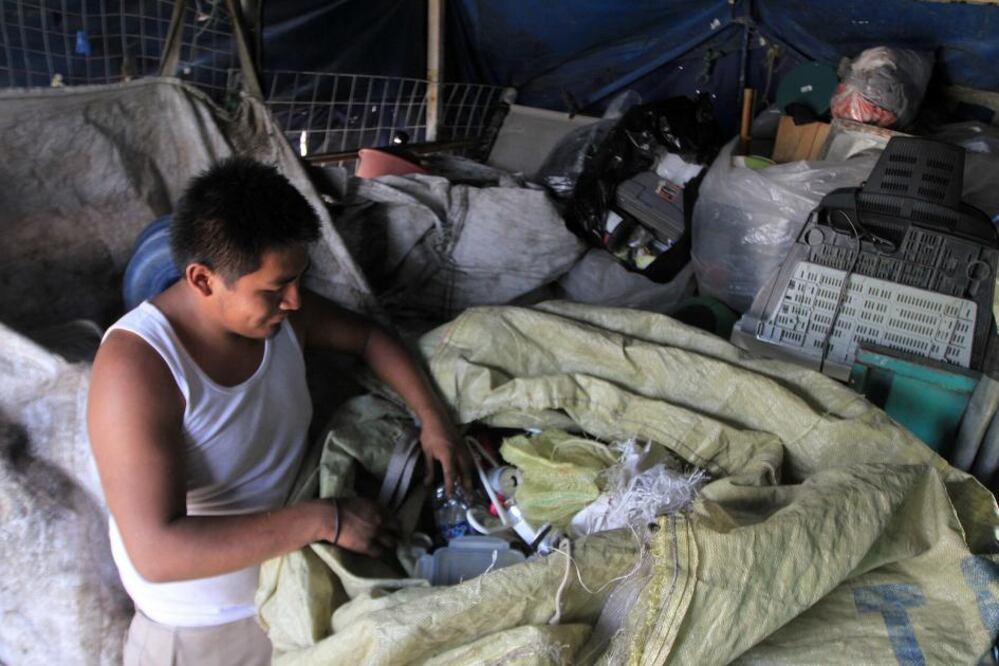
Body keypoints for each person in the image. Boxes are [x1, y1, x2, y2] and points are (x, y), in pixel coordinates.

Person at [87, 157, 471, 666]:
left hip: (295, 584)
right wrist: (324, 520)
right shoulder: (139, 368)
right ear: (202, 279)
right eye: (274, 289)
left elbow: (370, 337)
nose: (294, 301)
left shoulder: (280, 315)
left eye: (298, 280)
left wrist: (435, 421)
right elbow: (157, 552)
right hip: (206, 629)